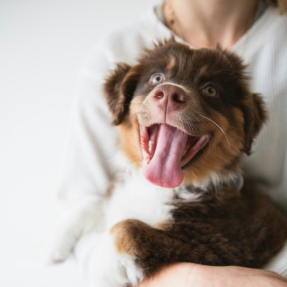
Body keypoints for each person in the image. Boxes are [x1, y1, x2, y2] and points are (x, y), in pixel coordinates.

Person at [56, 0, 287, 285]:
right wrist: (200, 279)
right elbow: (82, 214)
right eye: (156, 79)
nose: (170, 93)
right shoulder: (111, 50)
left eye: (210, 89)